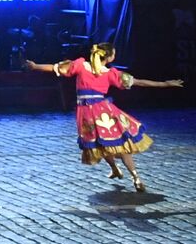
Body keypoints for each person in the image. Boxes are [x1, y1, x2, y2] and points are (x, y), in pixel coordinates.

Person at [25, 45, 183, 191]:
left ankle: (131, 176)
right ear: (110, 57)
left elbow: (54, 68)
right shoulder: (106, 72)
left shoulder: (83, 66)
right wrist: (165, 84)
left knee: (107, 144)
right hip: (100, 112)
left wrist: (35, 66)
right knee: (111, 144)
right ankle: (127, 174)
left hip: (92, 113)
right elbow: (139, 82)